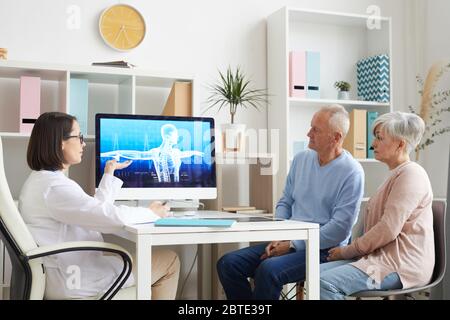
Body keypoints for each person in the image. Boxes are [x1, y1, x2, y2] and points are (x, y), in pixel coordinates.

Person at [19, 112, 180, 299]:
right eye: (78, 137)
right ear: (60, 142)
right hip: (76, 277)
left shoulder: (43, 182)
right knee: (170, 260)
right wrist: (151, 213)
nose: (83, 143)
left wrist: (109, 173)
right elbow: (112, 217)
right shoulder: (55, 188)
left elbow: (94, 211)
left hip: (68, 272)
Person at [216, 105, 365, 300]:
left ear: (335, 138)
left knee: (268, 270)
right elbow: (285, 202)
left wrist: (293, 245)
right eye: (311, 127)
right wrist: (281, 236)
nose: (308, 133)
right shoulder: (301, 159)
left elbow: (339, 230)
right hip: (289, 239)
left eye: (316, 130)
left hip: (324, 249)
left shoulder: (352, 172)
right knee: (228, 264)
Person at [320, 112, 434, 300]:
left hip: (400, 265)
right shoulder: (396, 174)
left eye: (380, 138)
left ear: (400, 144)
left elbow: (387, 229)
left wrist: (348, 250)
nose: (373, 144)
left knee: (324, 282)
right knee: (314, 274)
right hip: (379, 260)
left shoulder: (411, 175)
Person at [100, 123, 204, 183]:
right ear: (168, 136)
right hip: (163, 189)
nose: (178, 137)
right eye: (175, 134)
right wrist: (113, 153)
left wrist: (196, 152)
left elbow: (186, 153)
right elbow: (139, 154)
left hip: (178, 191)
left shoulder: (176, 152)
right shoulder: (156, 153)